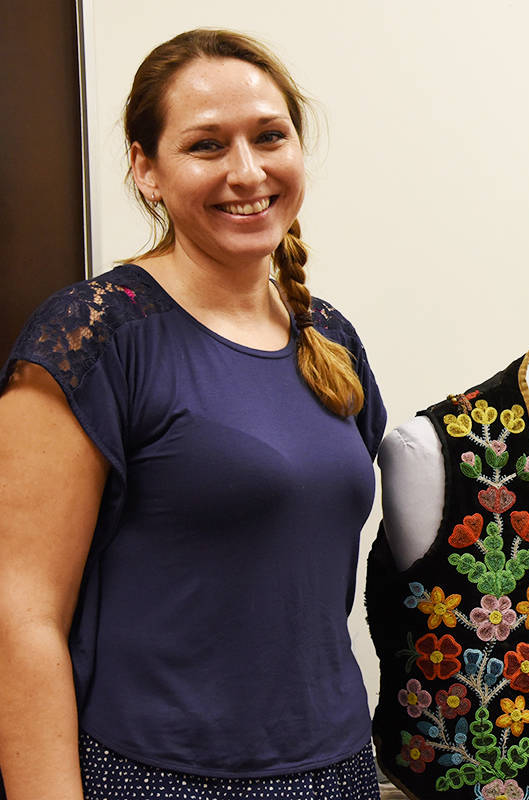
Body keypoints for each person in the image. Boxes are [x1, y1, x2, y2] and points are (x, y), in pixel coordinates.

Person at [0, 29, 385, 800]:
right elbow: (20, 613)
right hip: (154, 778)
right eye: (207, 145)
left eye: (269, 137)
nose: (247, 172)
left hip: (339, 769)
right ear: (147, 169)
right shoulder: (94, 334)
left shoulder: (329, 335)